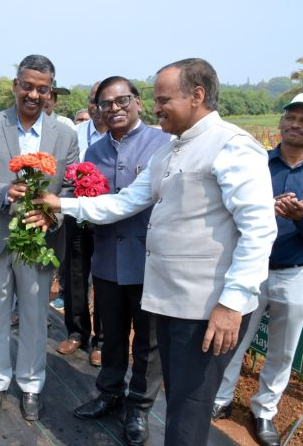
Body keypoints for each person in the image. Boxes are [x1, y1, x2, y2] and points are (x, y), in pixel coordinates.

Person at [29, 58, 277, 446]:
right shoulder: (171, 151)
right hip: (172, 301)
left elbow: (259, 231)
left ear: (196, 96)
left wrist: (232, 303)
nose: (157, 107)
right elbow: (124, 202)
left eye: (163, 100)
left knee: (189, 408)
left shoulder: (231, 146)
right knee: (179, 401)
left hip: (207, 307)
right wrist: (61, 204)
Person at [213, 93, 303, 446]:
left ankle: (264, 410)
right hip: (249, 268)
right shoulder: (258, 163)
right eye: (290, 117)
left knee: (282, 349)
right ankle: (220, 397)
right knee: (233, 338)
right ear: (281, 121)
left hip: (297, 272)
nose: (295, 124)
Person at [0, 54, 79, 421]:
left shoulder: (65, 134)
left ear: (50, 92)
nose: (33, 94)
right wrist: (3, 191)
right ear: (16, 85)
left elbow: (71, 188)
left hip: (40, 241)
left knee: (34, 314)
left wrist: (51, 214)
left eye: (42, 89)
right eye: (27, 86)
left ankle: (31, 385)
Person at [71, 77, 169, 446]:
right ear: (96, 110)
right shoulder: (94, 153)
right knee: (110, 332)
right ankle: (109, 392)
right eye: (105, 104)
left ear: (138, 102)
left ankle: (139, 407)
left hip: (149, 260)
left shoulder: (162, 144)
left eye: (121, 100)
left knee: (148, 340)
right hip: (108, 257)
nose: (114, 109)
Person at [56, 82, 105, 367]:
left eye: (103, 100)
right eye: (92, 100)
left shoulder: (120, 135)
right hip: (76, 214)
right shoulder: (75, 134)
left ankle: (102, 340)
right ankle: (77, 332)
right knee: (75, 274)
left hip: (107, 219)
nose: (97, 107)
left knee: (104, 279)